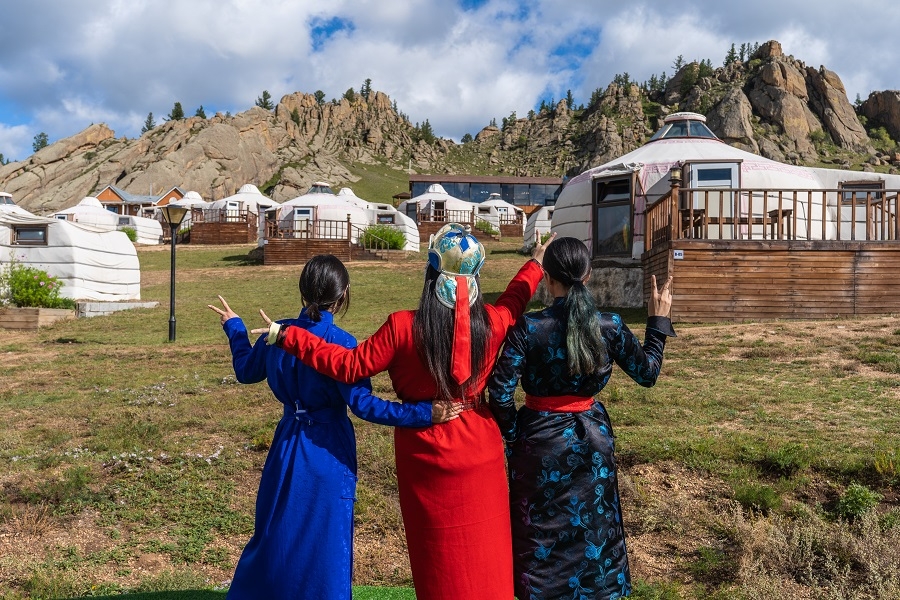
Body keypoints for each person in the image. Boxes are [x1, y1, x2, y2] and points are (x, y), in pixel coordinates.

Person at [252, 224, 554, 600]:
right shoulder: (493, 322)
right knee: (486, 554)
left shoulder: (402, 327)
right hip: (479, 442)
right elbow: (514, 301)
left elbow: (348, 366)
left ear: (430, 274)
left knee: (437, 558)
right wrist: (535, 265)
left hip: (424, 450)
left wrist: (288, 335)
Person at [207, 254, 461, 600]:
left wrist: (234, 326)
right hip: (328, 449)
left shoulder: (277, 332)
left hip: (287, 445)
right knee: (326, 542)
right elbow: (365, 405)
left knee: (275, 532)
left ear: (302, 291)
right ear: (343, 296)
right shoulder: (342, 343)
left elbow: (245, 371)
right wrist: (423, 413)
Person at [487, 236, 675, 600]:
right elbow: (648, 373)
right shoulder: (609, 325)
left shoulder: (528, 328)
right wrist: (658, 321)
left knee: (540, 535)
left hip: (537, 444)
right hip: (592, 442)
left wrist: (514, 435)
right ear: (588, 276)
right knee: (596, 532)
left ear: (547, 279)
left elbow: (499, 392)